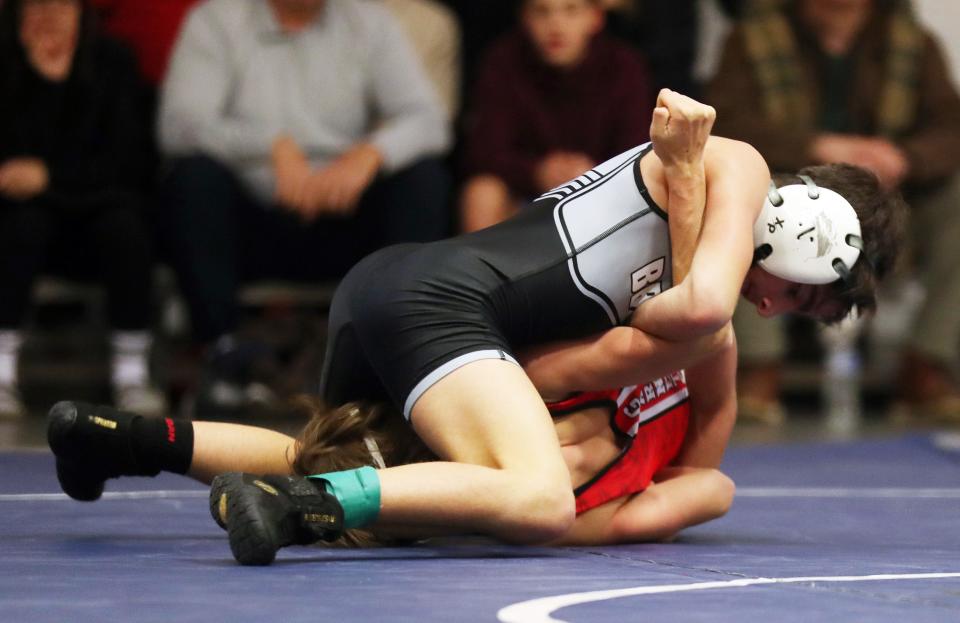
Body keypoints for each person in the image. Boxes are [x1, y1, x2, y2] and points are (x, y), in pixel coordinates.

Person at [49, 91, 906, 565]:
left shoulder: (704, 193)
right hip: (439, 305)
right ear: (803, 234)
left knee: (335, 452)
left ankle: (119, 439)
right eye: (798, 299)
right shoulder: (741, 167)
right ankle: (297, 511)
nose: (771, 310)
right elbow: (699, 311)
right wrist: (687, 188)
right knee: (534, 499)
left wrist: (683, 194)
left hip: (397, 292)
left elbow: (670, 330)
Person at [156, 0, 452, 409]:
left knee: (423, 178)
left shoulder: (368, 23)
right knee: (193, 178)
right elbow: (180, 124)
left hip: (343, 214)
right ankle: (221, 355)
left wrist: (371, 154)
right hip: (252, 221)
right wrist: (267, 146)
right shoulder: (216, 21)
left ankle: (398, 351)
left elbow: (428, 120)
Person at [707, 0, 960, 423]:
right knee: (751, 194)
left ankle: (927, 363)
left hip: (887, 210)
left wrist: (902, 157)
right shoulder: (752, 39)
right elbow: (726, 123)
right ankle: (756, 363)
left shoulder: (913, 41)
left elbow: (951, 129)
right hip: (790, 198)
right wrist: (817, 148)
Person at [0, 0, 165, 418]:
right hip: (24, 219)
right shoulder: (5, 64)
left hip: (99, 211)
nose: (47, 17)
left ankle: (131, 371)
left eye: (59, 6)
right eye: (34, 7)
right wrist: (37, 82)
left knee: (124, 226)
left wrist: (50, 177)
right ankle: (1, 368)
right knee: (23, 222)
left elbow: (128, 162)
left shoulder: (113, 61)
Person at [459, 0, 653, 231]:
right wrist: (537, 171)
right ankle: (481, 268)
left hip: (603, 192)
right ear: (525, 18)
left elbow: (638, 151)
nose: (556, 25)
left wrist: (592, 174)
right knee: (481, 192)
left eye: (571, 11)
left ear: (595, 18)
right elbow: (484, 150)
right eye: (542, 12)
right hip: (525, 194)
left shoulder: (624, 65)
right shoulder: (503, 61)